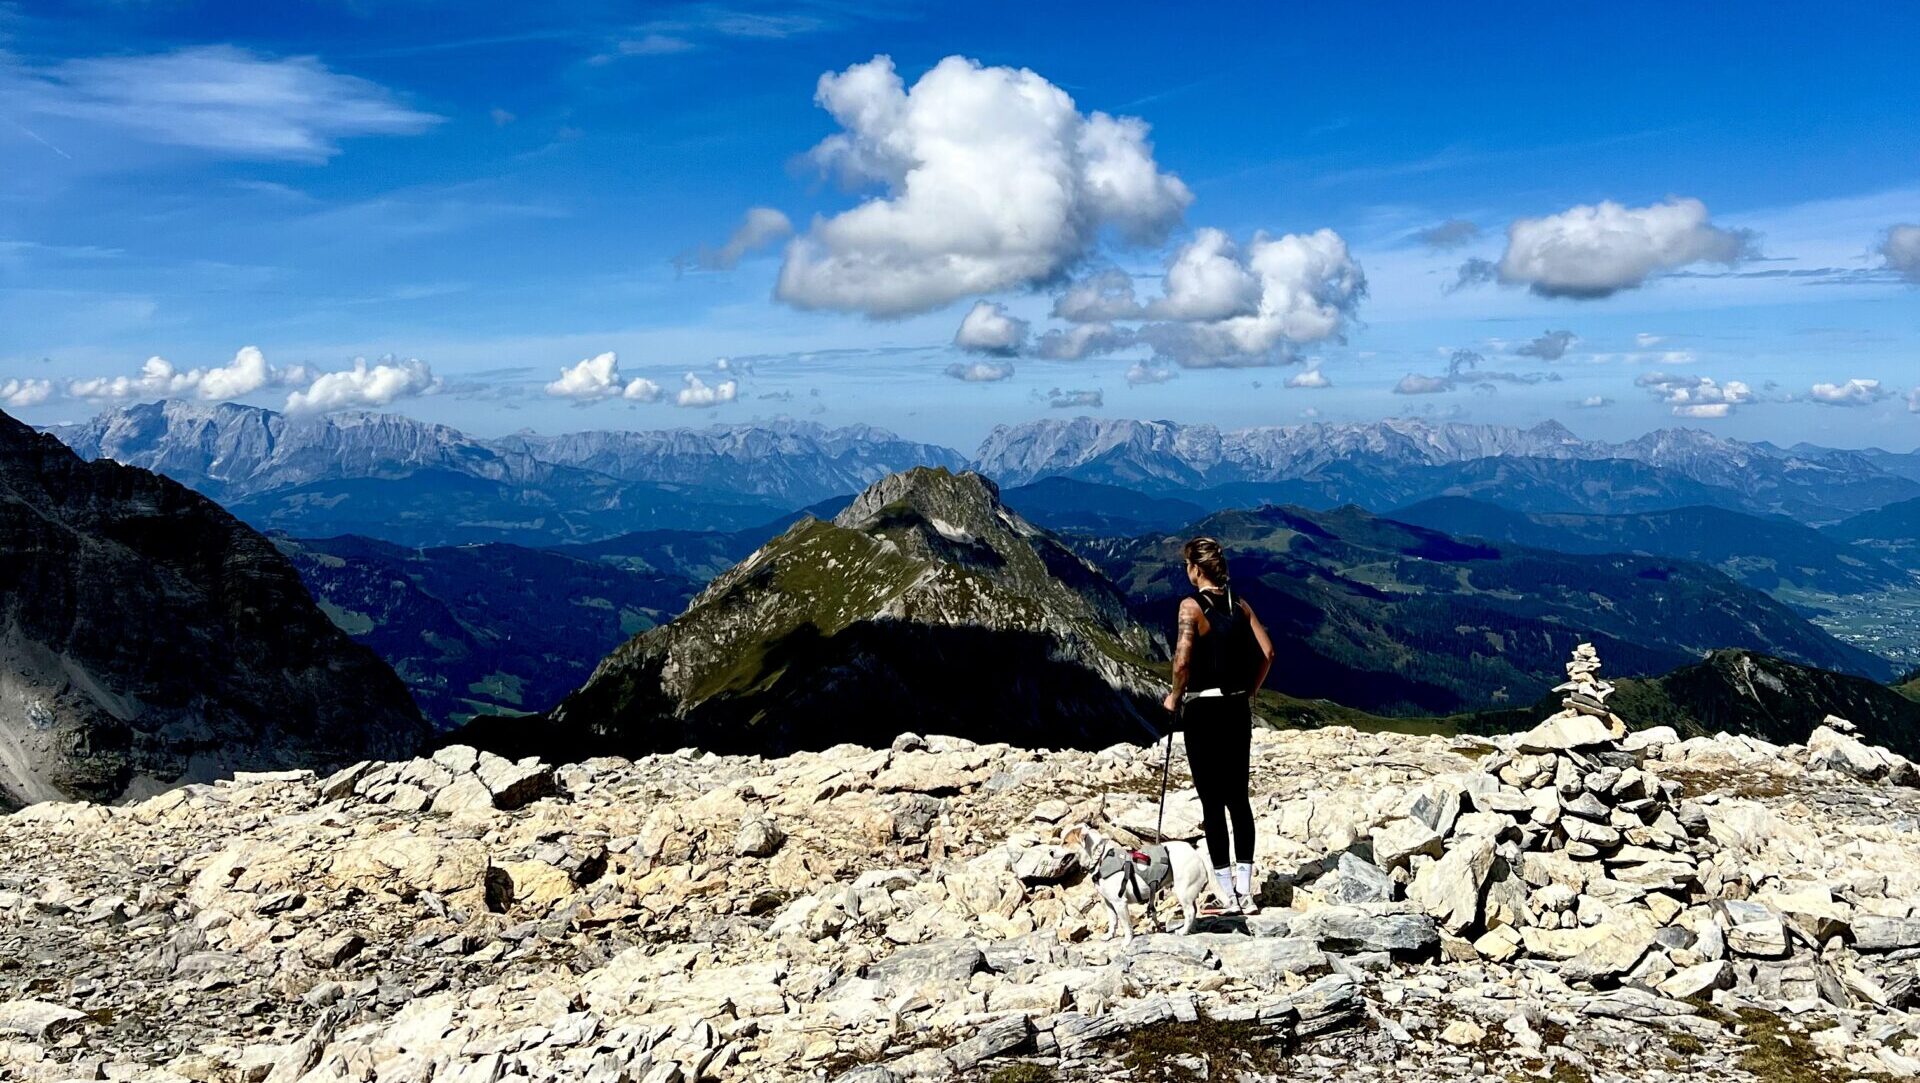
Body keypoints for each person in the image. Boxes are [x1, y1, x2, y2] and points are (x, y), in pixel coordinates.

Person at [1161, 536, 1275, 915]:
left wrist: (1175, 696)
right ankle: (1246, 888)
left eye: (1187, 566)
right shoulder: (1239, 605)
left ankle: (1225, 891)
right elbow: (1268, 652)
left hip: (1203, 712)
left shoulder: (1190, 608)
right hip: (1237, 708)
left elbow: (1181, 661)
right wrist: (1251, 690)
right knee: (1238, 799)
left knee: (1212, 802)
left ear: (1195, 568)